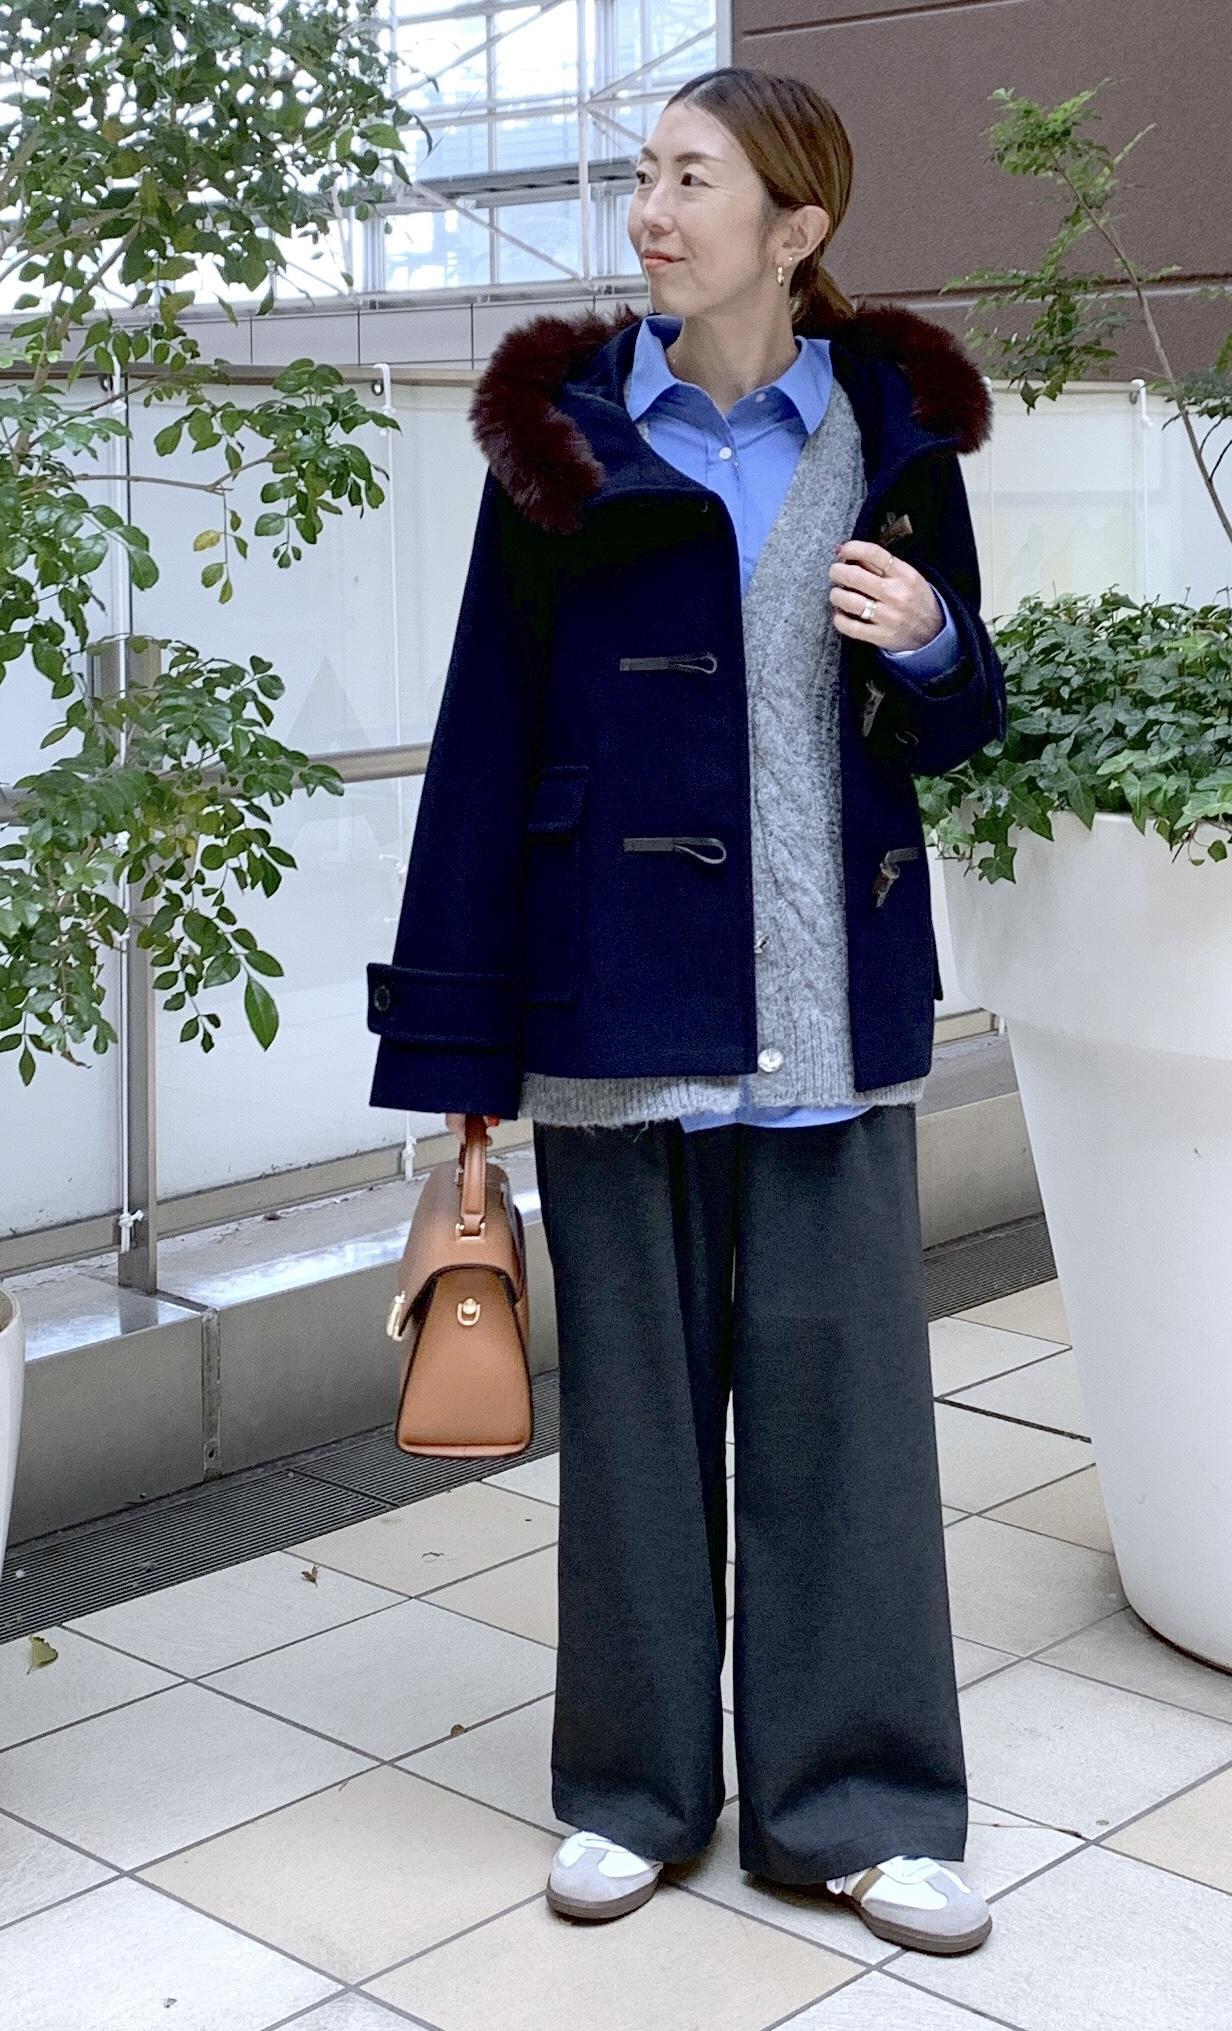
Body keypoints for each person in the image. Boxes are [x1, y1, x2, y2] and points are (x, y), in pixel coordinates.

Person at [366, 63, 1006, 1957]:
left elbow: (959, 725)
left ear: (797, 228)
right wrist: (461, 1060)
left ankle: (863, 1807)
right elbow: (486, 743)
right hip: (615, 1007)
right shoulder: (560, 445)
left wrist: (935, 644)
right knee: (638, 1439)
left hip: (830, 1010)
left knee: (847, 1431)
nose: (649, 212)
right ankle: (631, 1796)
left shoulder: (894, 440)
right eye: (642, 175)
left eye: (691, 180)